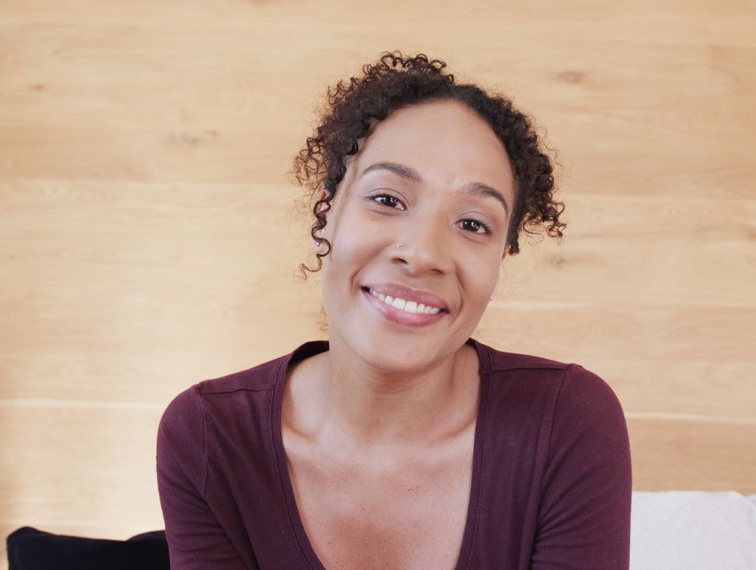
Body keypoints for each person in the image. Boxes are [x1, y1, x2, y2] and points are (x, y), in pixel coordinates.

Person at [156, 51, 632, 570]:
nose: (423, 253)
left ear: (500, 260)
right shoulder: (209, 436)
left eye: (473, 225)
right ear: (327, 215)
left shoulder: (567, 422)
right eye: (387, 199)